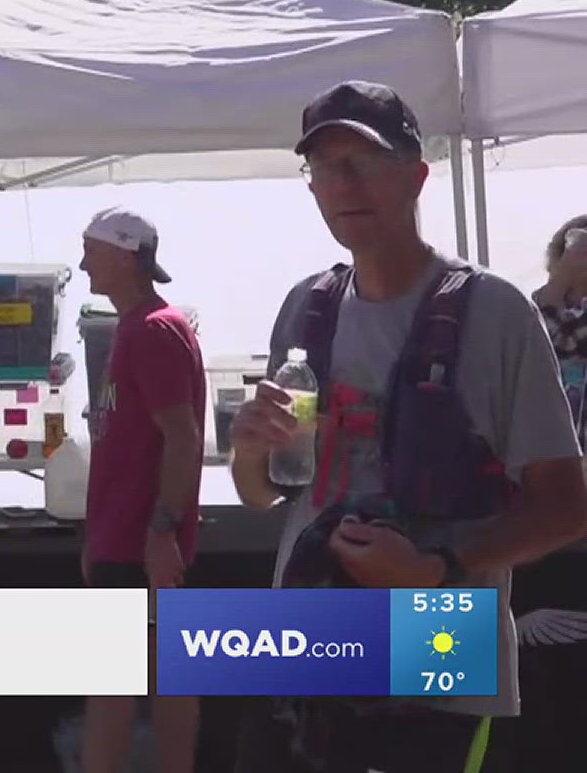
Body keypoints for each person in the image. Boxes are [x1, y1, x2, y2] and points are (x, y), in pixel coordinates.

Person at [229, 82, 587, 772]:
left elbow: (568, 504)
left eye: (366, 159)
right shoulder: (306, 306)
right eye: (325, 166)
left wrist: (436, 568)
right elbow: (263, 493)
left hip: (440, 637)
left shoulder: (495, 311)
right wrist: (250, 449)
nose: (344, 182)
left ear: (417, 174)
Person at [74, 206, 203, 773]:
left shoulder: (153, 329)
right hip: (122, 536)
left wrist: (161, 532)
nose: (82, 265)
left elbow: (184, 436)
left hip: (138, 537)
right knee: (155, 671)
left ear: (125, 257)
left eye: (92, 251)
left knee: (119, 683)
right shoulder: (139, 326)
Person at [532, 216, 587, 447]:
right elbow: (538, 341)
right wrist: (561, 280)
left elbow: (577, 341)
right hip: (553, 452)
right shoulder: (539, 308)